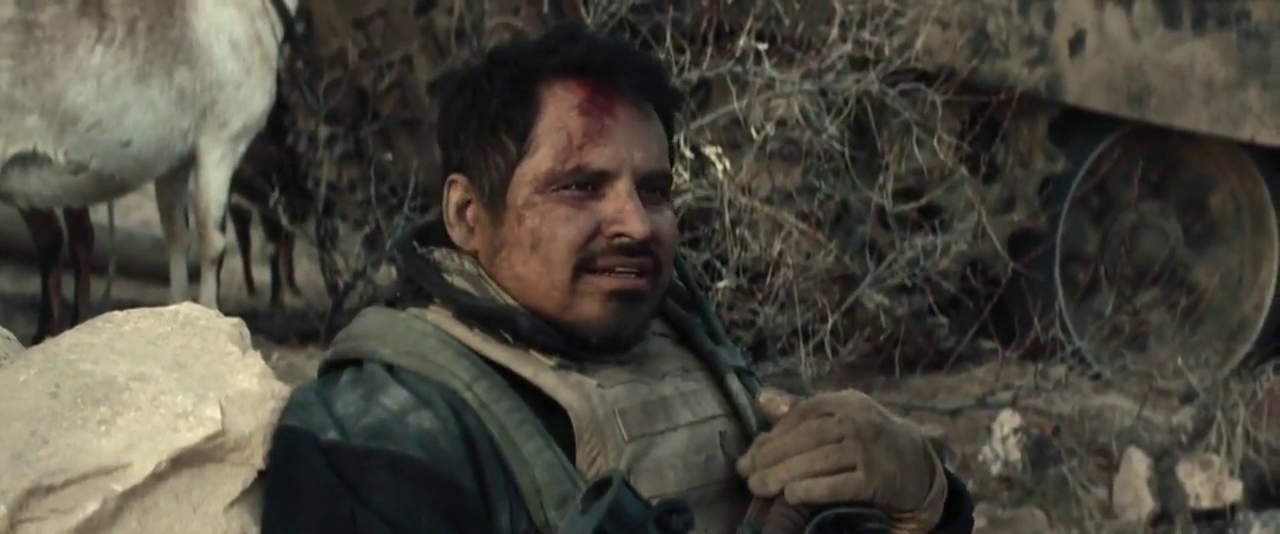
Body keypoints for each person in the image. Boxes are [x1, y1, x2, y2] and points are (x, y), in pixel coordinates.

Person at [260, 22, 976, 534]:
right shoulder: (379, 432)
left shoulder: (689, 350)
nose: (636, 223)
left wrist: (927, 498)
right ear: (467, 215)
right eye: (580, 186)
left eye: (655, 190)